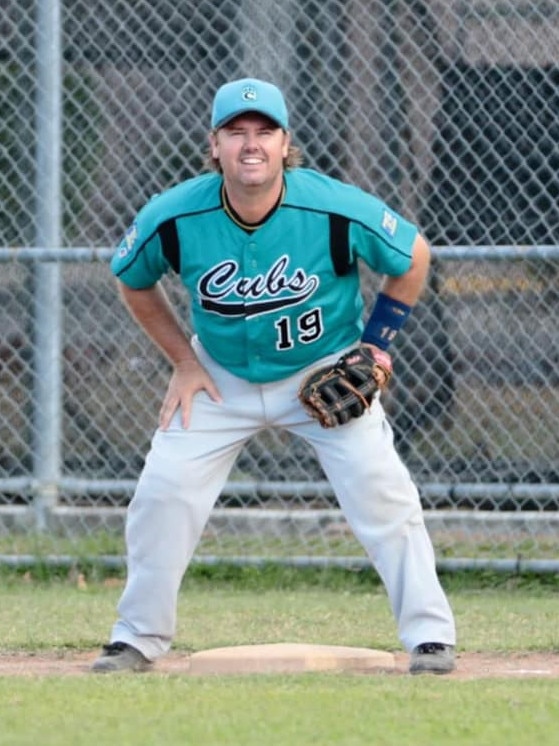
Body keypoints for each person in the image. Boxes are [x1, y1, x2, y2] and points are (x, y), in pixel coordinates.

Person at [91, 77, 456, 675]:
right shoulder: (176, 216)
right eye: (237, 132)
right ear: (215, 146)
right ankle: (136, 637)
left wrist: (376, 349)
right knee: (163, 493)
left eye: (265, 132)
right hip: (219, 375)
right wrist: (184, 361)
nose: (251, 144)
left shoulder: (332, 206)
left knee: (381, 490)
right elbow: (131, 279)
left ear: (287, 144)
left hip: (323, 368)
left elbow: (412, 256)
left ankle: (430, 636)